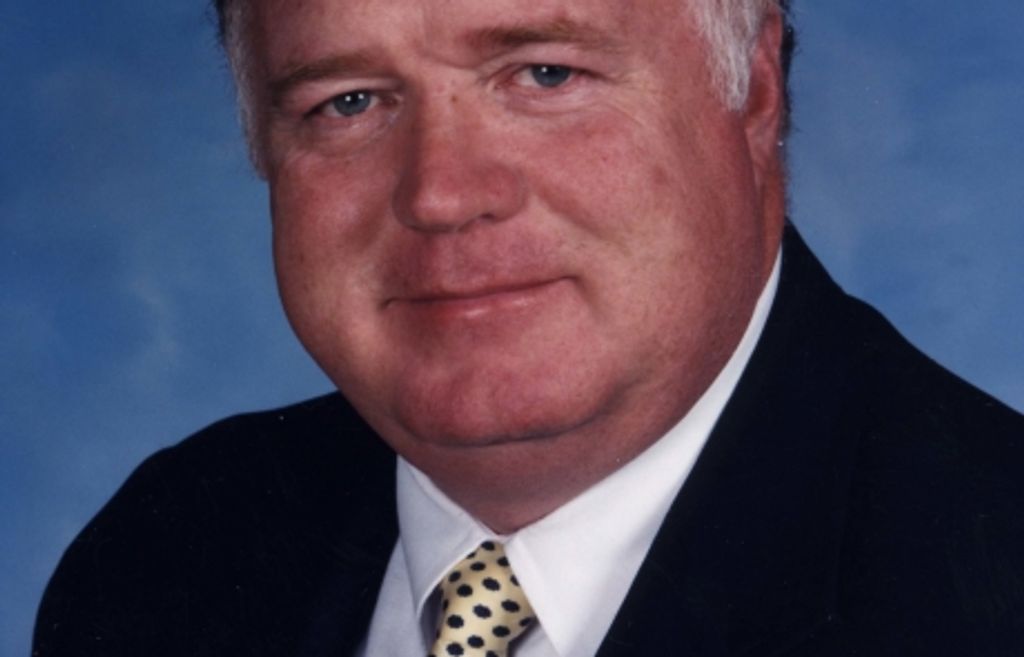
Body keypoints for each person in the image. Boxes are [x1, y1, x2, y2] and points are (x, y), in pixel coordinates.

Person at [34, 0, 1024, 655]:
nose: (441, 194)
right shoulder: (164, 557)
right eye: (349, 102)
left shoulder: (989, 579)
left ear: (754, 88)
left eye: (545, 74)